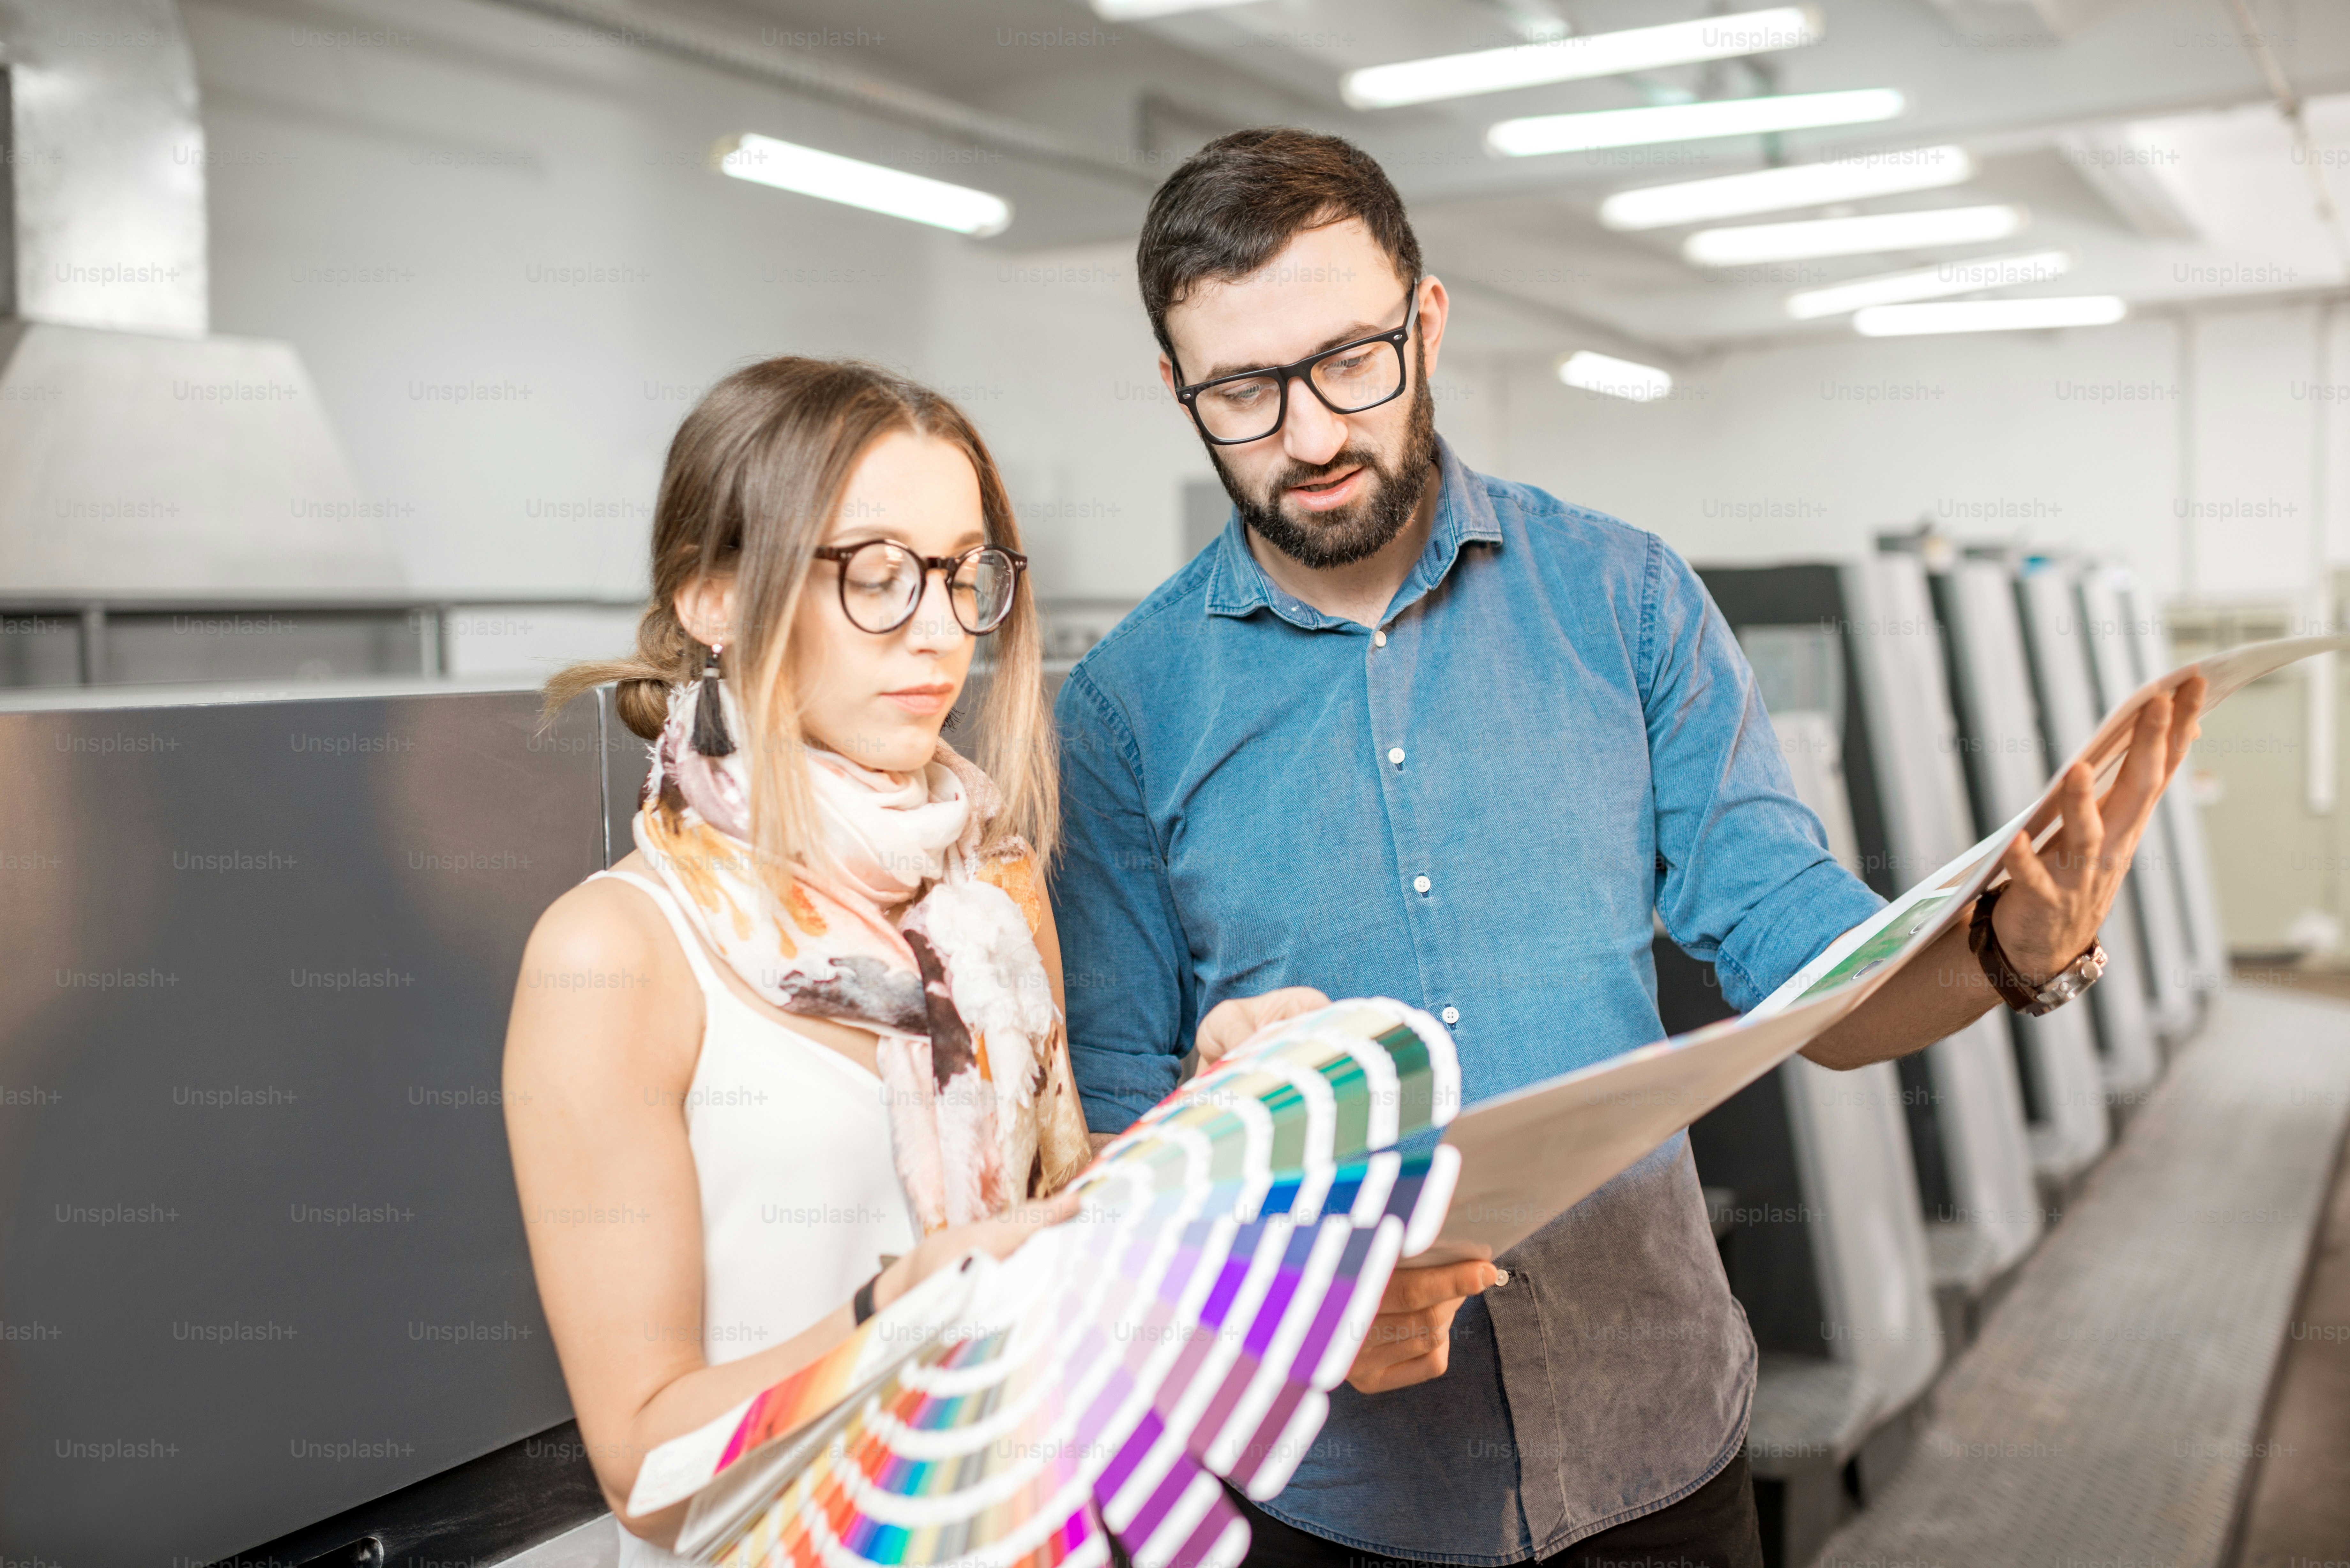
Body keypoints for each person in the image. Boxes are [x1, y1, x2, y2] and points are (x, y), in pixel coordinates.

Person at [1048, 128, 2203, 1568]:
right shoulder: (1117, 714)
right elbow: (1110, 1121)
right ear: (1176, 387)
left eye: (1352, 359)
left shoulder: (1626, 599)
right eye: (1240, 391)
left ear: (1429, 318)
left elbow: (1810, 971)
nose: (1310, 434)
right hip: (1332, 1492)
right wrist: (1283, 1303)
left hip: (1653, 1443)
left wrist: (2007, 953)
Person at [503, 358, 1090, 1560]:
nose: (940, 631)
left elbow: (1053, 1243)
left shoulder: (991, 902)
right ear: (714, 595)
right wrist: (890, 1316)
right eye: (876, 574)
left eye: (962, 574)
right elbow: (650, 1469)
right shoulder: (615, 952)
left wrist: (1236, 1106)